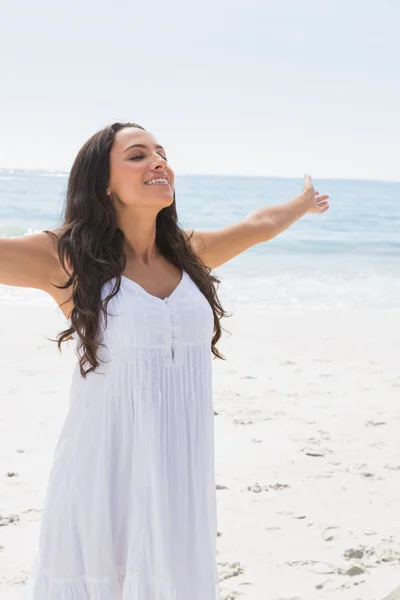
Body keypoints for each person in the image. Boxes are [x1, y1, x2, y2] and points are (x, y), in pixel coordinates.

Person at [0, 122, 330, 600]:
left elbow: (258, 227)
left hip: (179, 474)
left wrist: (301, 204)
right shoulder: (65, 257)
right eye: (137, 155)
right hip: (102, 472)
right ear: (104, 183)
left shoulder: (187, 252)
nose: (159, 162)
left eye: (162, 153)